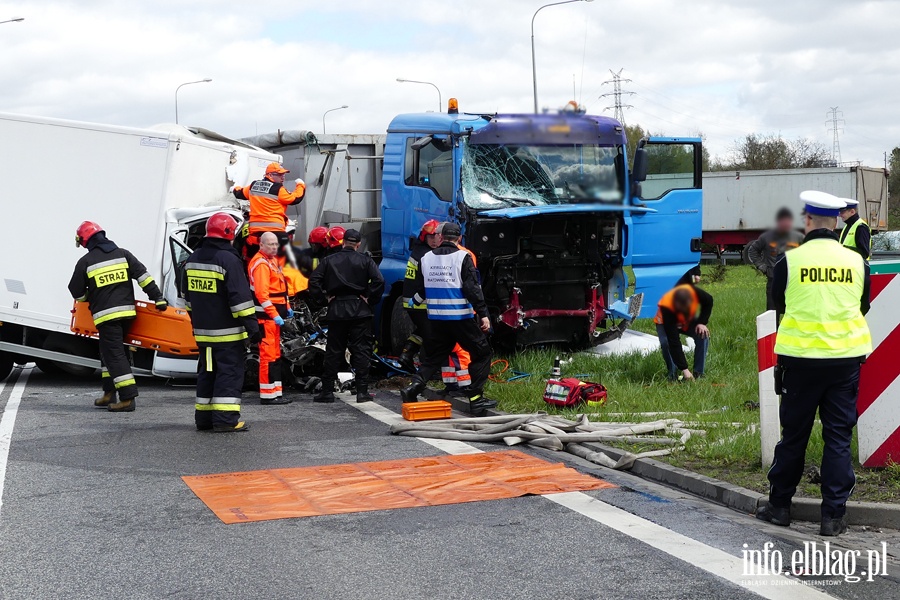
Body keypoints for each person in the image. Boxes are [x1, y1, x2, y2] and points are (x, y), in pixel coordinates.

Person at [757, 191, 872, 537]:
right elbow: (862, 305)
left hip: (800, 361)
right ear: (837, 223)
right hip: (844, 361)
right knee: (838, 437)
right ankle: (833, 517)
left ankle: (779, 507)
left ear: (807, 221)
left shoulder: (789, 262)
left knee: (794, 435)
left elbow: (778, 303)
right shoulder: (856, 262)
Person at [68, 221, 167, 412]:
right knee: (107, 353)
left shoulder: (86, 262)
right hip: (128, 315)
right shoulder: (123, 254)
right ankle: (108, 393)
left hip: (107, 317)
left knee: (114, 355)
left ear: (86, 241)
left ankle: (128, 398)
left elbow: (75, 290)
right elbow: (143, 276)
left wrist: (88, 297)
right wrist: (158, 298)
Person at [400, 223, 496, 415]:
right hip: (459, 317)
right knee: (483, 353)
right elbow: (471, 288)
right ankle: (476, 399)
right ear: (459, 239)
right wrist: (484, 313)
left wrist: (414, 301)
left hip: (436, 318)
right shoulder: (463, 257)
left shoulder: (426, 257)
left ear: (442, 237)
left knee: (435, 356)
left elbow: (425, 286)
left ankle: (413, 388)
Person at [182, 213, 261, 433]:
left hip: (203, 333)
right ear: (229, 234)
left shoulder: (193, 258)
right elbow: (240, 301)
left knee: (207, 372)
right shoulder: (228, 260)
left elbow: (187, 299)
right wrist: (253, 329)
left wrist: (197, 322)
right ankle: (226, 420)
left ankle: (204, 419)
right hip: (228, 334)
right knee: (229, 373)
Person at [309, 229, 385, 403]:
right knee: (361, 351)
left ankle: (327, 391)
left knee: (333, 351)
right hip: (360, 310)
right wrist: (369, 299)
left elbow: (314, 281)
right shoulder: (366, 261)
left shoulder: (328, 261)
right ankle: (362, 392)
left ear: (343, 242)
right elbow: (379, 281)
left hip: (337, 311)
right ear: (358, 244)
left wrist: (324, 299)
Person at [248, 231, 292, 405]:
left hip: (272, 319)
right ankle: (267, 395)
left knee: (275, 355)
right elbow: (262, 295)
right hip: (266, 319)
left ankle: (275, 392)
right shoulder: (261, 264)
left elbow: (281, 287)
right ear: (261, 245)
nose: (274, 247)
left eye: (276, 244)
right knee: (267, 356)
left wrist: (287, 307)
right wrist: (275, 315)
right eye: (270, 244)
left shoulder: (271, 261)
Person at [232, 162, 305, 259]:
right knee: (277, 264)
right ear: (270, 175)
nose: (283, 177)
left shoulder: (253, 186)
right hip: (276, 235)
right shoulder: (278, 189)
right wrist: (301, 185)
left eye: (283, 175)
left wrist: (235, 187)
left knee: (252, 262)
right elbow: (296, 198)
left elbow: (239, 193)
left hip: (255, 236)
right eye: (279, 175)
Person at [398, 219, 442, 371]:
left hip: (413, 302)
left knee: (423, 331)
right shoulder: (427, 255)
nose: (435, 241)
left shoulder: (418, 251)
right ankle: (430, 370)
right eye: (431, 237)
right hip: (419, 302)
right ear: (424, 237)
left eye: (437, 237)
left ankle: (407, 354)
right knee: (431, 336)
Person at [653, 277, 713, 381]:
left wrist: (702, 323)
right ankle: (673, 375)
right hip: (665, 322)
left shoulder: (694, 292)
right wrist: (684, 369)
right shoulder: (667, 308)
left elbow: (709, 301)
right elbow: (674, 341)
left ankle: (699, 374)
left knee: (703, 335)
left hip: (686, 321)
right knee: (666, 342)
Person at [747, 207, 804, 311]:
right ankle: (773, 327)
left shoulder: (799, 237)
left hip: (794, 279)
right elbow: (752, 251)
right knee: (772, 311)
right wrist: (762, 266)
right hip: (773, 278)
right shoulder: (766, 237)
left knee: (795, 308)